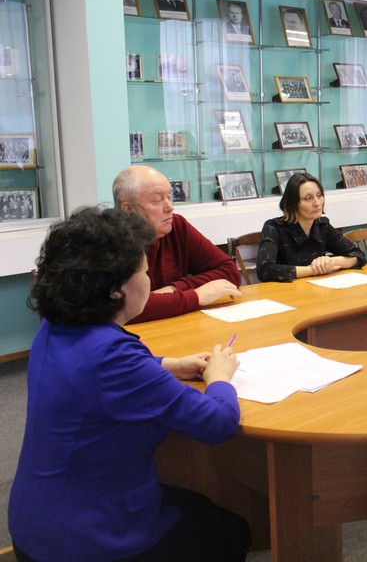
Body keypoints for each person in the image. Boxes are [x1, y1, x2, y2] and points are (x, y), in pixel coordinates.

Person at [8, 207, 250, 562]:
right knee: (232, 531)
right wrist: (219, 378)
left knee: (197, 505)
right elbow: (218, 423)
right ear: (115, 290)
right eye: (145, 271)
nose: (150, 280)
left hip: (38, 519)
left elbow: (95, 371)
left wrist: (166, 364)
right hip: (86, 538)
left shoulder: (58, 324)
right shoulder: (114, 356)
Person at [113, 165, 242, 323]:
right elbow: (121, 309)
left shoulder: (176, 226)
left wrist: (172, 289)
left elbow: (229, 272)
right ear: (128, 209)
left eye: (169, 197)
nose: (170, 207)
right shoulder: (107, 240)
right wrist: (195, 296)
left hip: (173, 326)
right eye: (157, 200)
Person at [256, 172, 367, 282]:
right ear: (293, 203)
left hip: (318, 287)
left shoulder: (322, 225)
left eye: (319, 195)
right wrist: (313, 270)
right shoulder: (274, 227)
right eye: (308, 198)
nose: (317, 203)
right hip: (287, 290)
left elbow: (358, 255)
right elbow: (265, 270)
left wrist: (330, 262)